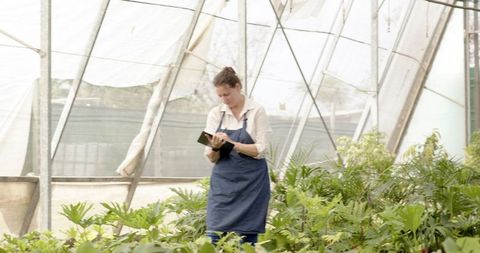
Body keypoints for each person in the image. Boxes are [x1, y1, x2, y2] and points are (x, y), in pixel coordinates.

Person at [203, 66, 272, 245]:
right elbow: (211, 157)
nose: (224, 100)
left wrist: (232, 144)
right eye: (220, 96)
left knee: (247, 238)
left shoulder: (257, 110)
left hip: (251, 183)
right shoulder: (215, 114)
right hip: (223, 184)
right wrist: (217, 148)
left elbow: (261, 149)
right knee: (214, 236)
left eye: (227, 94)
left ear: (238, 87)